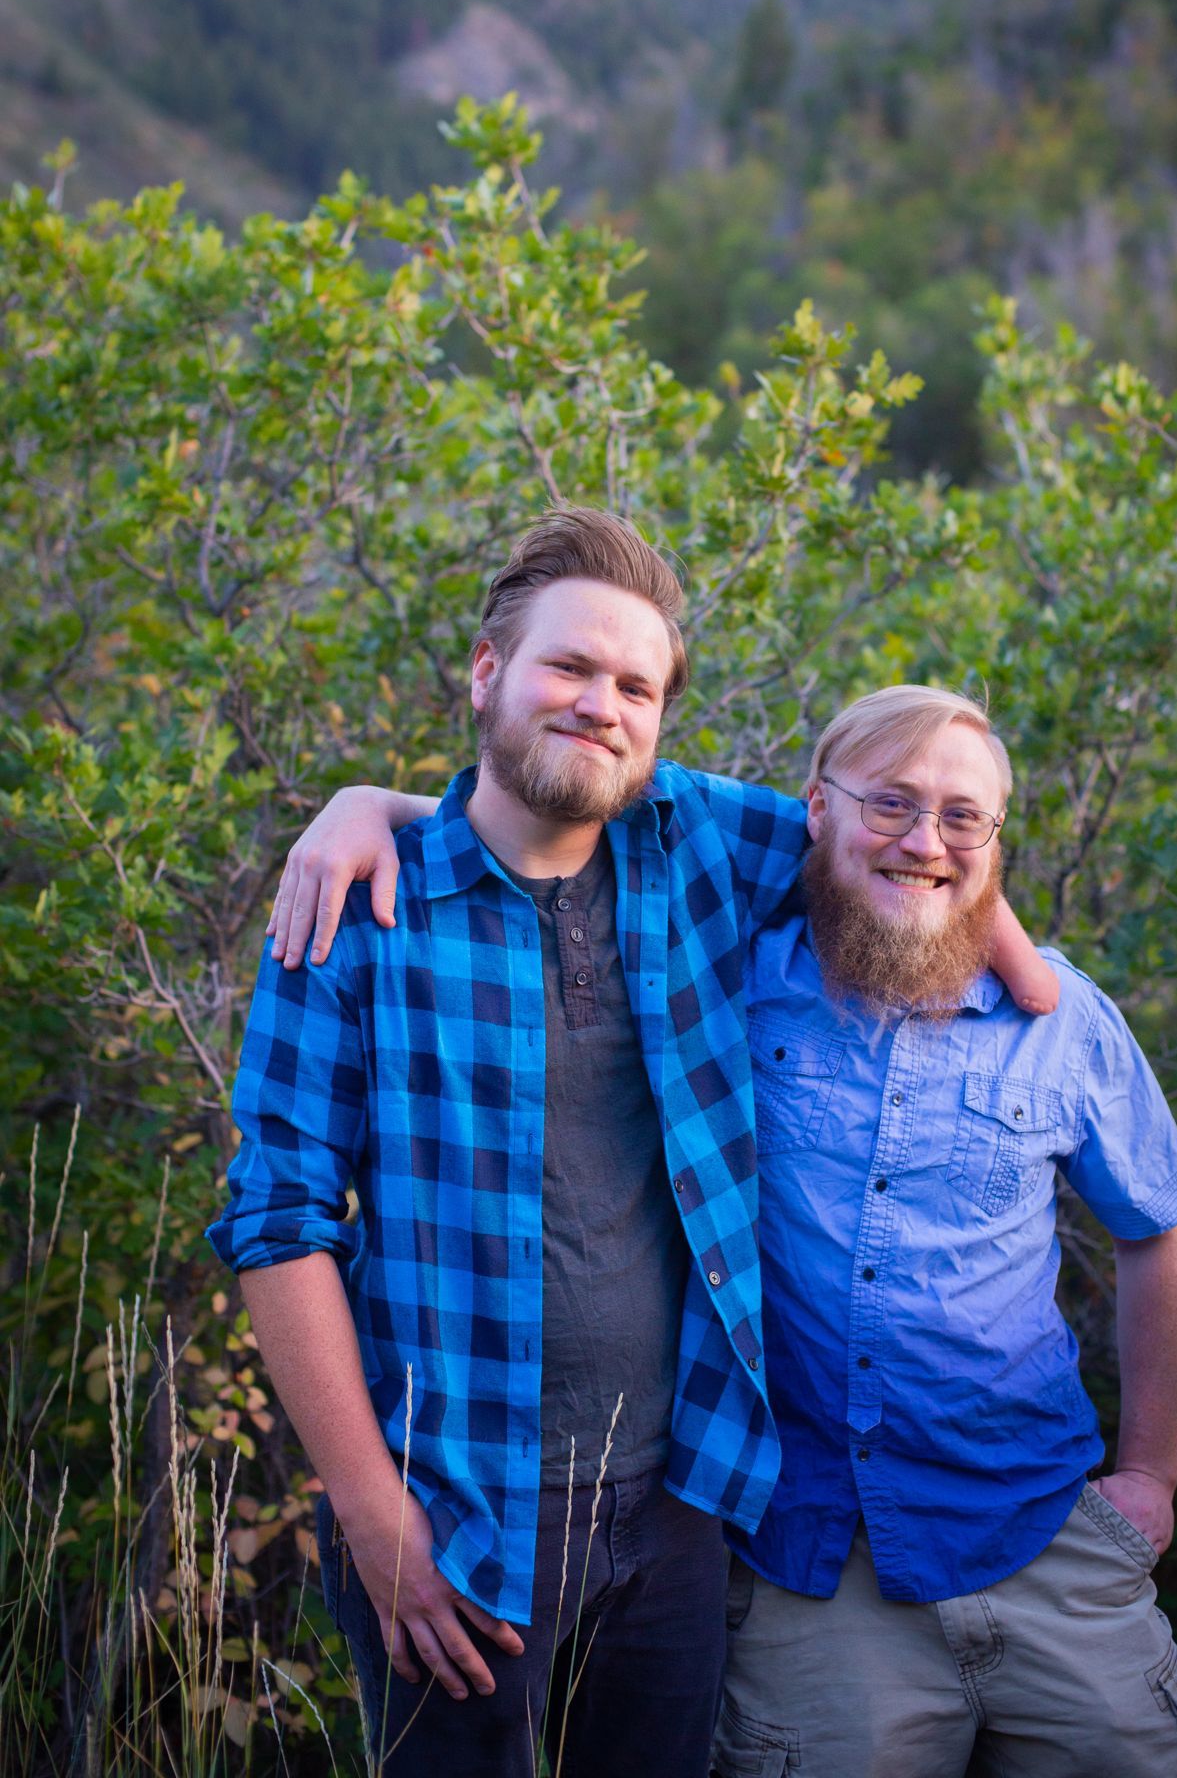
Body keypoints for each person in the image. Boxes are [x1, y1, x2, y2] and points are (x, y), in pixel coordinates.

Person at [208, 510, 1055, 1778]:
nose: (601, 703)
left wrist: (1034, 981)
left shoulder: (697, 844)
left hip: (681, 1495)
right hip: (451, 1505)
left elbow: (910, 849)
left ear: (660, 722)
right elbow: (279, 1223)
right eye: (569, 667)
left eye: (637, 685)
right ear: (488, 671)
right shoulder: (358, 911)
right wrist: (373, 1514)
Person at [711, 684, 1177, 1778]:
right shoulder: (721, 989)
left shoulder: (1066, 1020)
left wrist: (1150, 1472)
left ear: (994, 838)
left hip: (1044, 1536)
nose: (925, 840)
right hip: (814, 1556)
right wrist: (367, 807)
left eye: (962, 815)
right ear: (816, 806)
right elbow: (569, 820)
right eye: (891, 803)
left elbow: (1157, 1227)